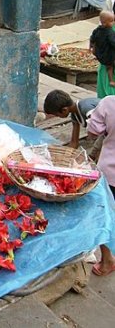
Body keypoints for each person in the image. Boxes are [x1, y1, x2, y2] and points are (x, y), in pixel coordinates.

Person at [86, 95, 115, 276]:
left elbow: (92, 134)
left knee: (105, 215)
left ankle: (107, 260)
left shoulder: (109, 103)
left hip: (111, 172)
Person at [43, 89, 102, 155]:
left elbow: (104, 133)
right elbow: (74, 143)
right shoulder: (75, 116)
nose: (58, 117)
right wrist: (65, 155)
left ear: (64, 110)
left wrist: (94, 155)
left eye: (57, 115)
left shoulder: (86, 109)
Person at [89, 10, 115, 87]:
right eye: (112, 21)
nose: (113, 22)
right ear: (104, 23)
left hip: (99, 53)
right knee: (110, 67)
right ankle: (111, 81)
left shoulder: (97, 29)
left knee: (107, 67)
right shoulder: (110, 32)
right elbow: (113, 42)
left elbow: (92, 38)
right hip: (108, 56)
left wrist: (91, 45)